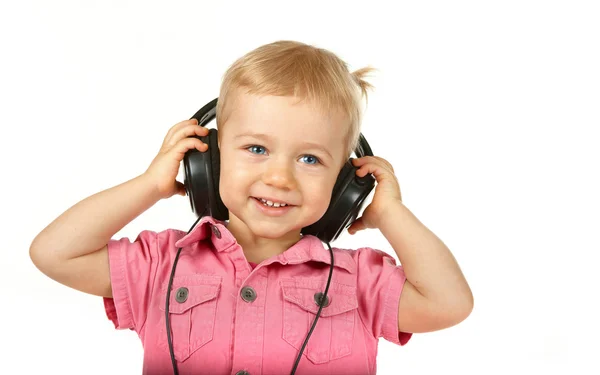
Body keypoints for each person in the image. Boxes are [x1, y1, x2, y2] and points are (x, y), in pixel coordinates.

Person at [29, 40, 473, 375]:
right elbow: (53, 253)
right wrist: (150, 185)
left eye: (310, 159)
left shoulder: (360, 281)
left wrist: (391, 214)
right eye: (257, 148)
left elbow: (449, 304)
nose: (280, 177)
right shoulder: (161, 264)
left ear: (344, 184)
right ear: (211, 159)